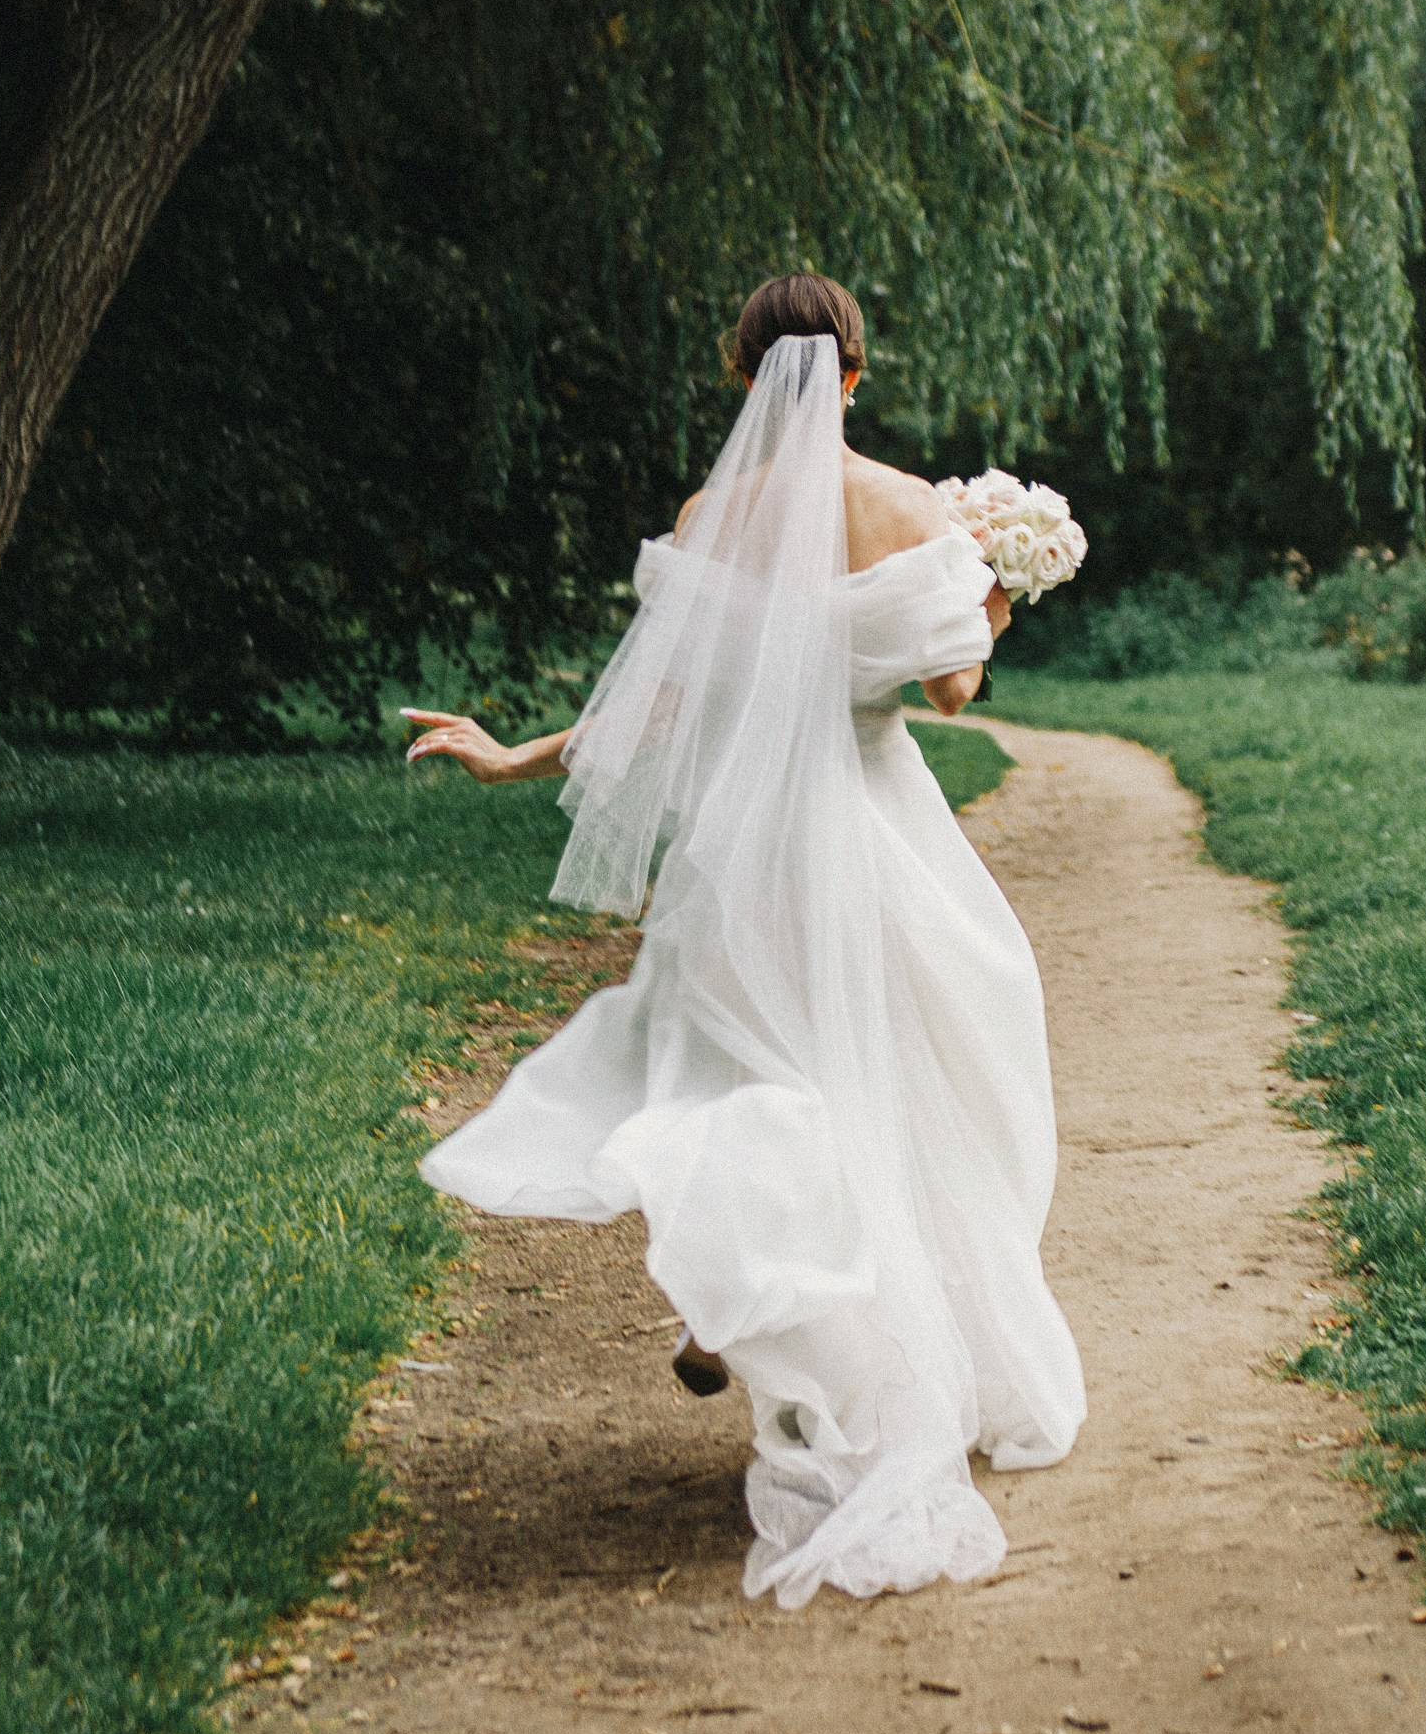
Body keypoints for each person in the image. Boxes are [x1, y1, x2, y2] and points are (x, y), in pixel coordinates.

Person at [400, 274, 1085, 1607]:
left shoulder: (712, 517)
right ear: (857, 376)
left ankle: (732, 1307)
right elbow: (951, 692)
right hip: (875, 846)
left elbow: (651, 710)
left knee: (746, 1081)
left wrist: (507, 759)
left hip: (741, 857)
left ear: (742, 376)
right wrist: (993, 596)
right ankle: (861, 1363)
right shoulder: (907, 511)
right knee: (898, 1086)